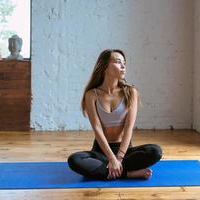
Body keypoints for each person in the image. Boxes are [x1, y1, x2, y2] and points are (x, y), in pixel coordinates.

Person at [67, 49, 162, 180]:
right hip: (101, 152)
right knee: (74, 160)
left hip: (125, 152)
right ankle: (128, 174)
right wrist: (111, 158)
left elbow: (129, 128)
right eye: (118, 62)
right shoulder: (91, 95)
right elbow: (97, 129)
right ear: (104, 66)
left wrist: (118, 158)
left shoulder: (130, 92)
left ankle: (111, 170)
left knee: (155, 151)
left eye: (124, 63)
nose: (123, 66)